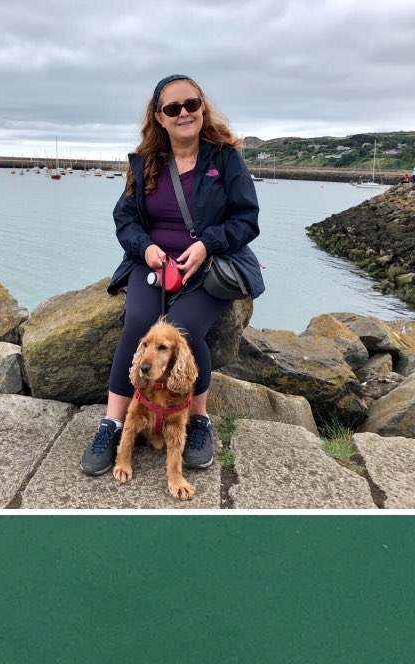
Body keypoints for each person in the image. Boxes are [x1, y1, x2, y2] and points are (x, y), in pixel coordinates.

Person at [81, 74, 265, 476]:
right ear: (159, 117)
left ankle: (197, 420)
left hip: (212, 264)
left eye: (191, 104)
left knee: (181, 329)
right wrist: (145, 249)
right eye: (172, 108)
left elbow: (247, 219)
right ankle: (113, 422)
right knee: (138, 327)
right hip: (153, 264)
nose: (184, 114)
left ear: (202, 107)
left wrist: (207, 245)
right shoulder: (144, 163)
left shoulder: (224, 158)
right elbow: (125, 219)